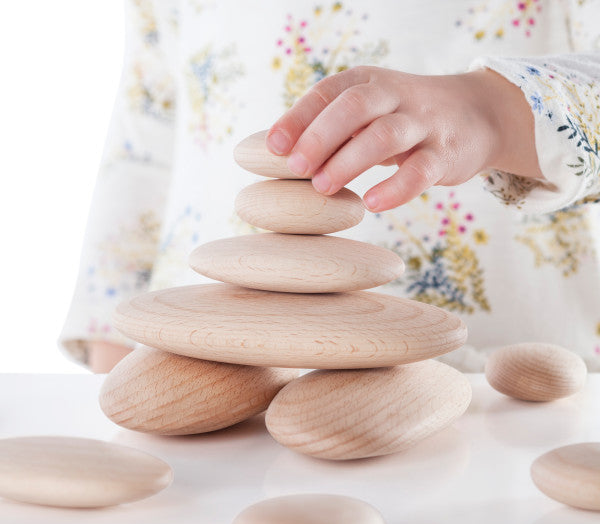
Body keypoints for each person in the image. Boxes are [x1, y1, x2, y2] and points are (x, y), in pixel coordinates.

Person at [60, 0, 600, 373]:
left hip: (496, 385)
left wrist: (494, 111)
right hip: (202, 372)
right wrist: (116, 352)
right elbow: (146, 137)